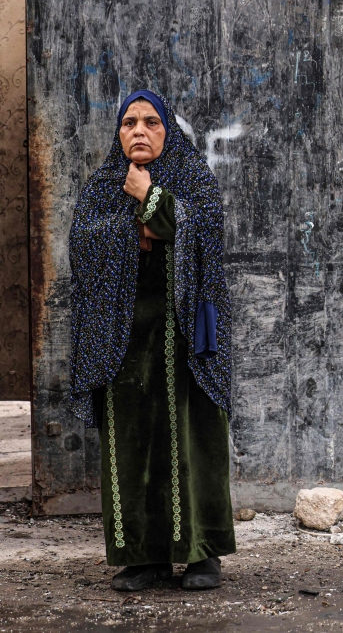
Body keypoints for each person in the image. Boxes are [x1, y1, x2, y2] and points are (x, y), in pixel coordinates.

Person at [68, 91, 235, 591]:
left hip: (187, 334)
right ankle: (144, 558)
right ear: (118, 134)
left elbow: (206, 231)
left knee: (195, 439)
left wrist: (150, 198)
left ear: (168, 131)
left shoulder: (195, 178)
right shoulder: (102, 187)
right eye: (129, 123)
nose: (139, 131)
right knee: (132, 444)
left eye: (151, 122)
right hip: (122, 334)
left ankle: (203, 555)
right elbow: (85, 242)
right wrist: (145, 225)